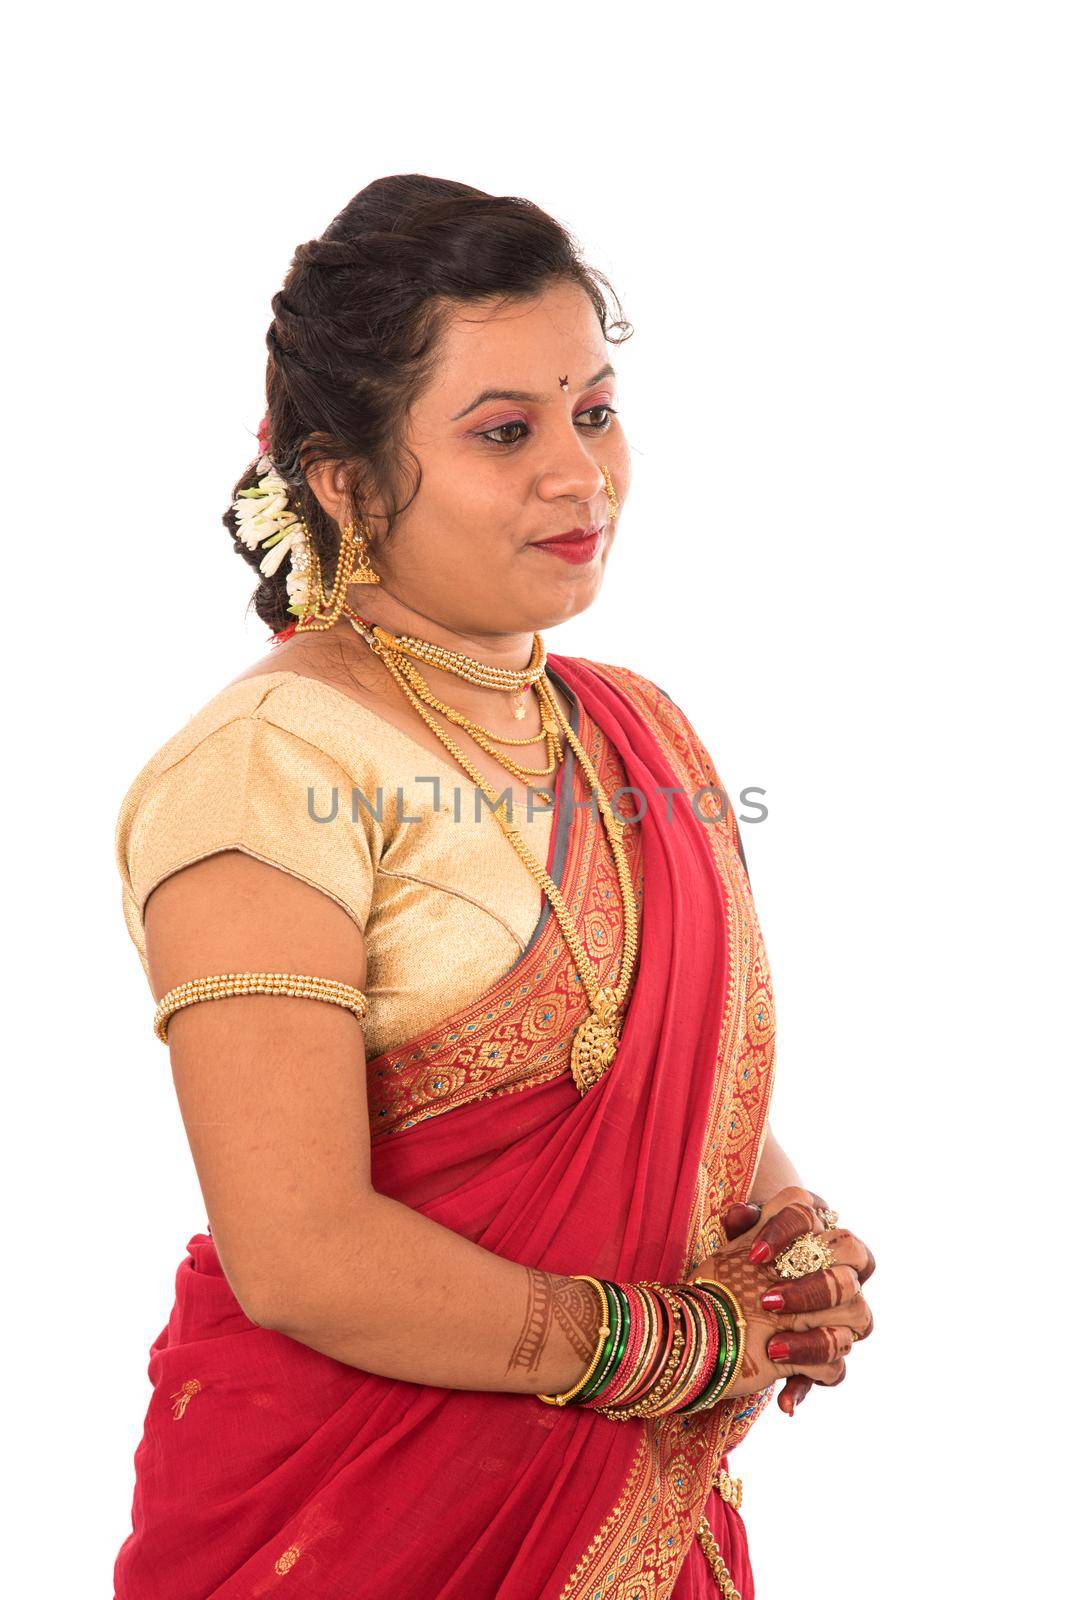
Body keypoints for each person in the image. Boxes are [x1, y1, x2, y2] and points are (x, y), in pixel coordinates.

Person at [112, 174, 875, 1600]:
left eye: (593, 411)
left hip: (628, 1523)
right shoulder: (260, 771)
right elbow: (300, 1253)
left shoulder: (635, 730)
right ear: (340, 478)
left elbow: (685, 1099)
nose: (578, 474)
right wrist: (676, 1344)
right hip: (352, 1526)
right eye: (504, 433)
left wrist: (787, 1236)